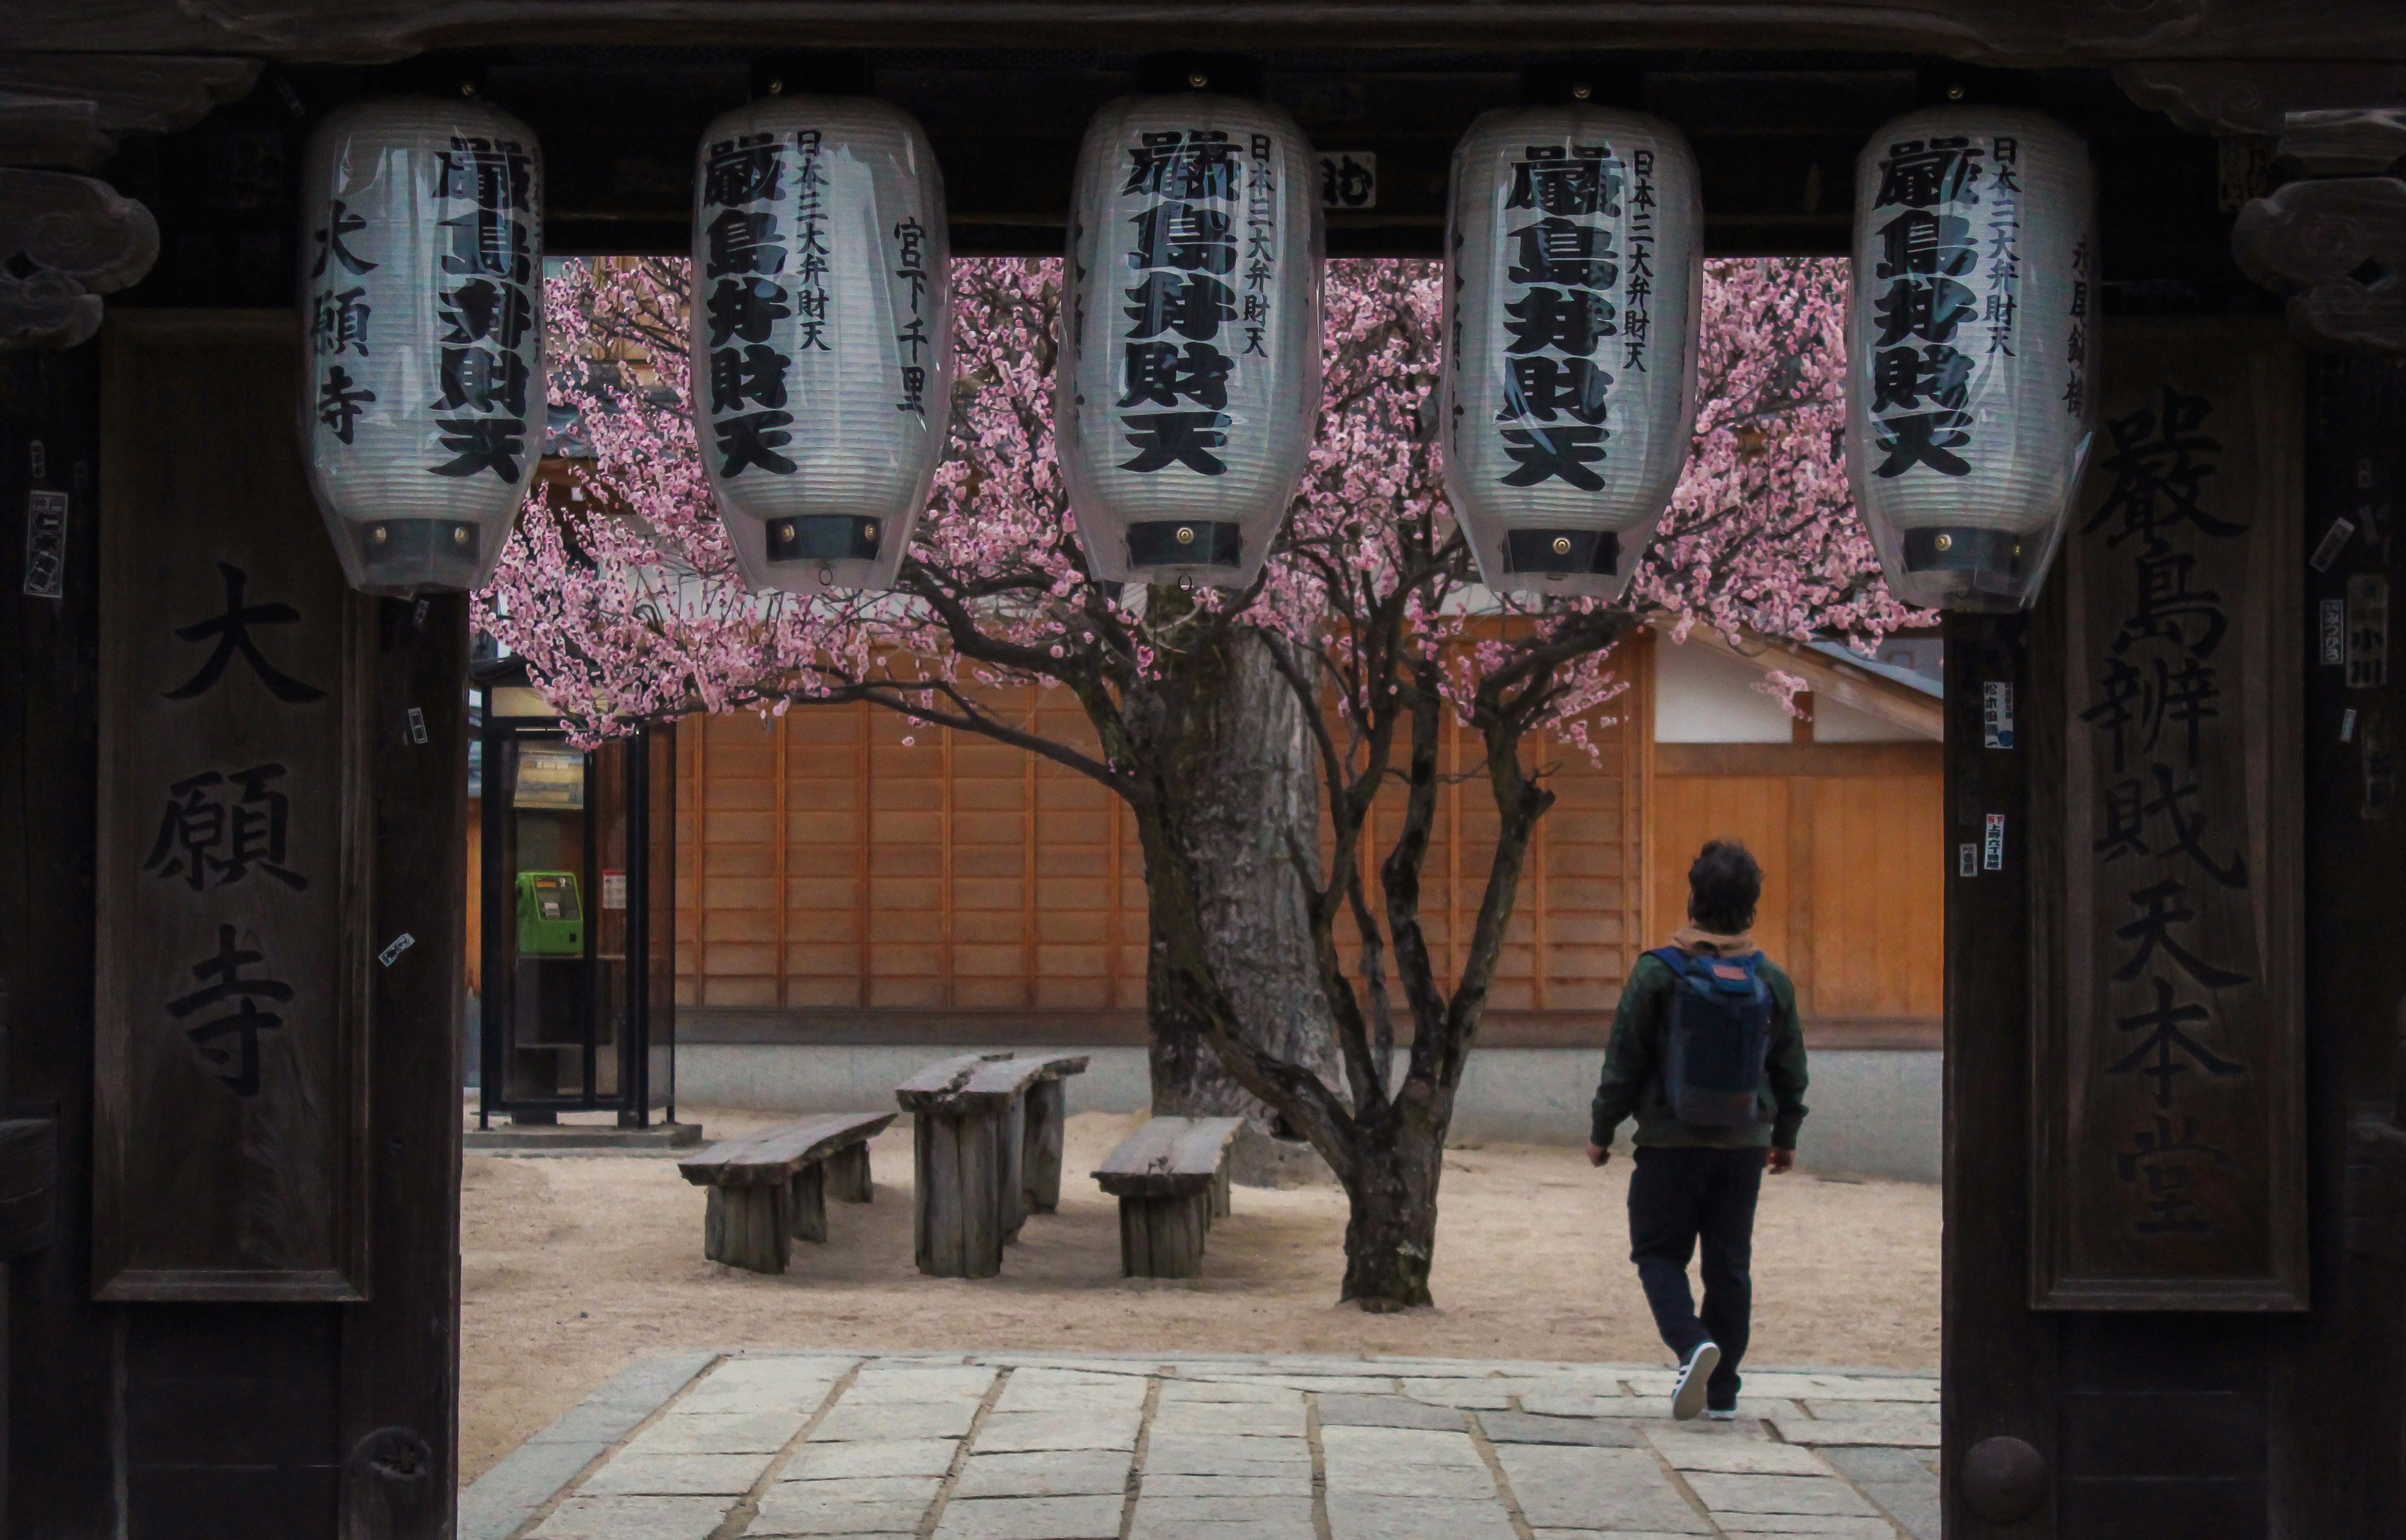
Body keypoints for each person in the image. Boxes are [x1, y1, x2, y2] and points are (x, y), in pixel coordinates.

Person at [1587, 839, 1808, 1422]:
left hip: (1669, 1139)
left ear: (1692, 898)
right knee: (1729, 1264)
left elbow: (1624, 1057)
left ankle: (1691, 1345)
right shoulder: (1771, 980)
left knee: (1658, 1252)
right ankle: (1723, 1392)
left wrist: (1602, 1128)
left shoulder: (1658, 972)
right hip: (1743, 1143)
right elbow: (1790, 1067)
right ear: (1752, 905)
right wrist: (1784, 1134)